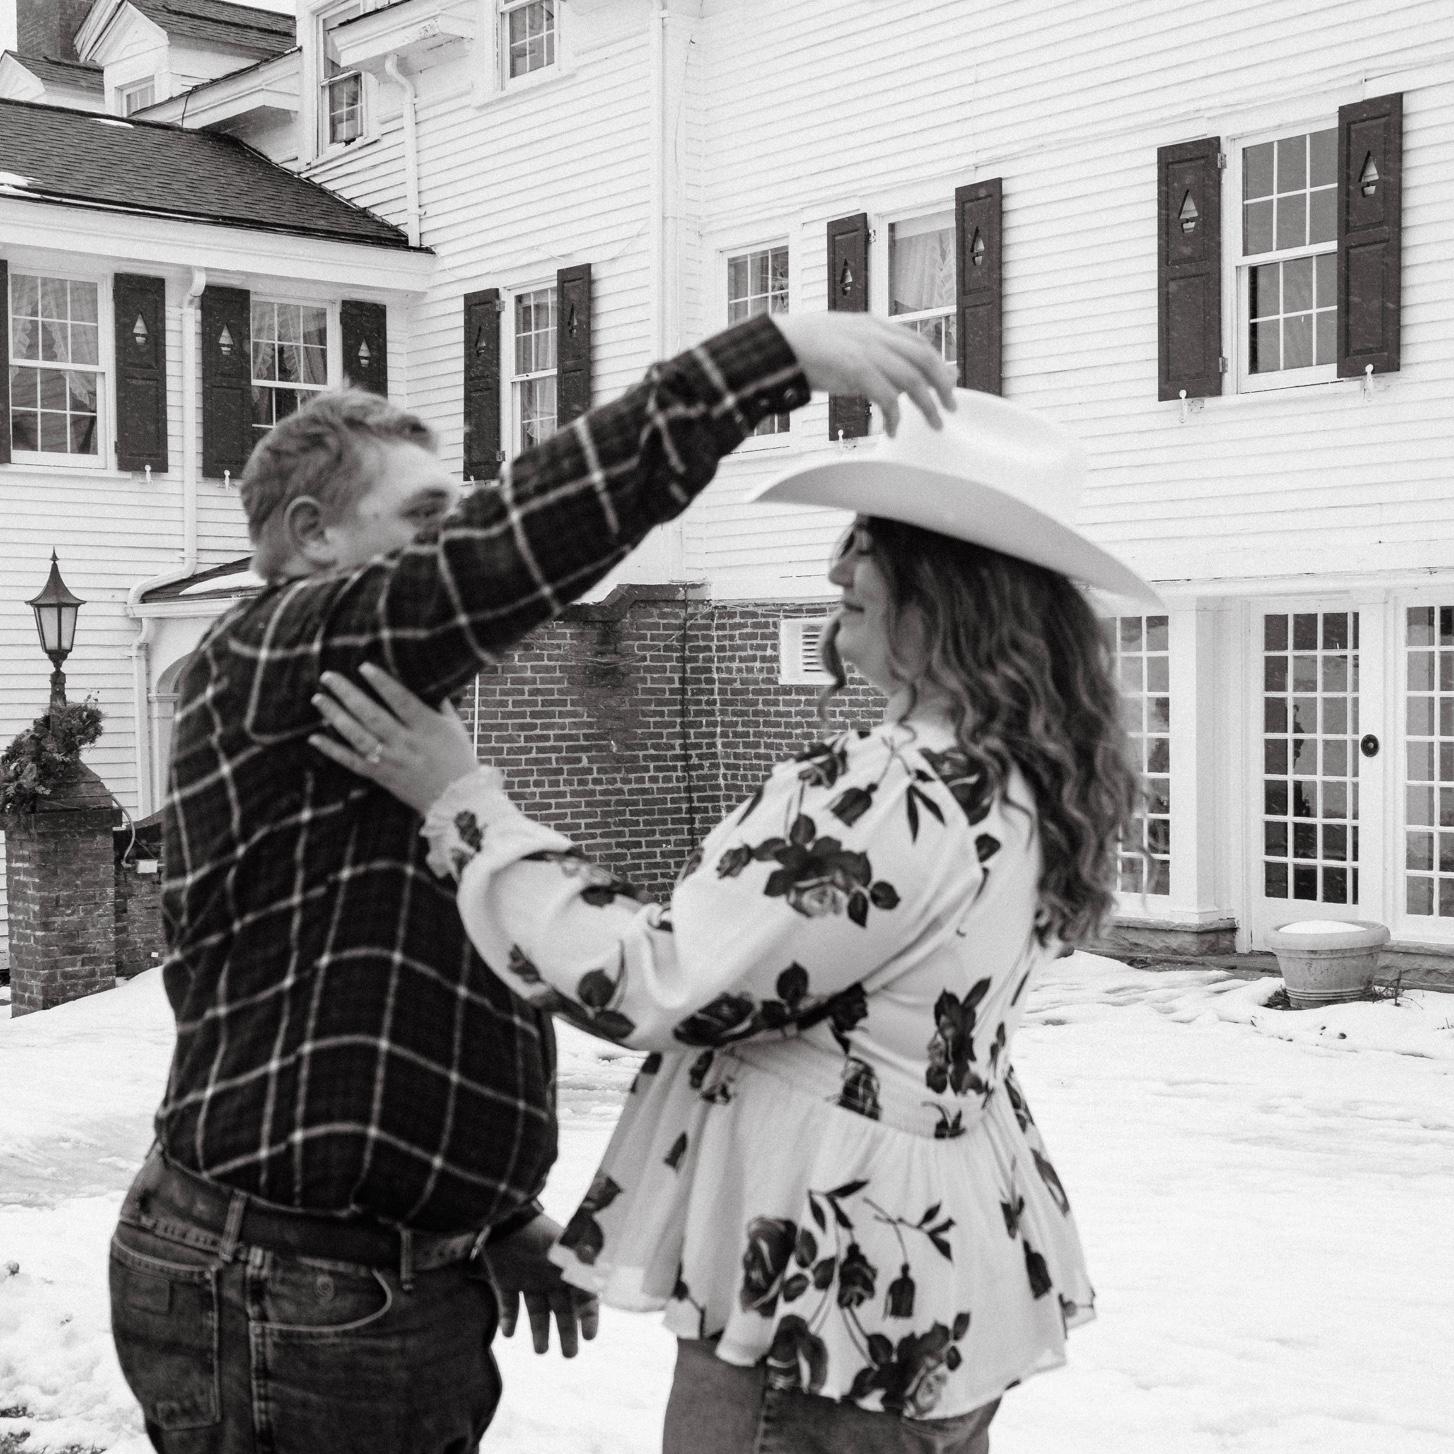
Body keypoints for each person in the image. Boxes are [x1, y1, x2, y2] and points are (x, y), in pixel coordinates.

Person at [106, 311, 957, 1454]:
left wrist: (490, 1213)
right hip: (285, 1285)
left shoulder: (379, 719)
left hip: (359, 1282)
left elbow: (401, 981)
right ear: (311, 535)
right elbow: (509, 549)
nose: (456, 542)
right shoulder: (276, 651)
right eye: (425, 521)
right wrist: (766, 361)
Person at [309, 388, 1162, 1454]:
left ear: (950, 587)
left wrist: (461, 802)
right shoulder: (1022, 775)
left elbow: (653, 982)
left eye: (870, 538)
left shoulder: (885, 789)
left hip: (822, 1302)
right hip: (932, 1284)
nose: (838, 566)